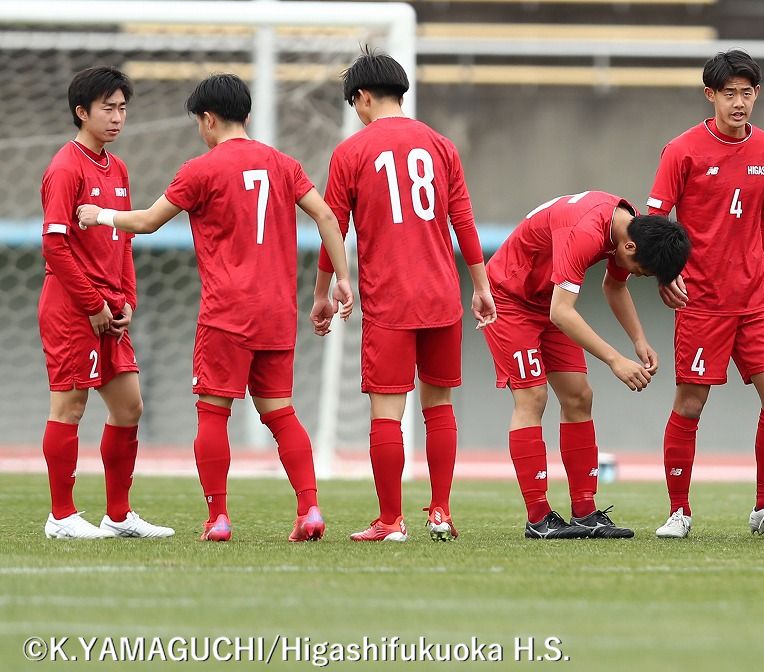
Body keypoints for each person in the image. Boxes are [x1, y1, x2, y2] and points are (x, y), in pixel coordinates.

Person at [78, 74, 354, 543]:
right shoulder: (282, 163)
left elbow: (145, 222)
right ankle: (309, 510)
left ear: (208, 120)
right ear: (244, 114)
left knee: (213, 412)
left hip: (226, 312)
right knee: (282, 413)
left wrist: (98, 214)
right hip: (277, 311)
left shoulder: (201, 169)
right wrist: (339, 281)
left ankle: (219, 518)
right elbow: (327, 215)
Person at [310, 50, 495, 543]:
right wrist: (480, 286)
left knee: (387, 411)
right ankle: (440, 512)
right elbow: (464, 222)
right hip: (442, 297)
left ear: (364, 97)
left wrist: (322, 292)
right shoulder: (440, 145)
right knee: (440, 405)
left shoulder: (351, 152)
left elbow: (333, 227)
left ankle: (391, 521)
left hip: (390, 300)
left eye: (356, 104)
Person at [646, 50, 764, 541]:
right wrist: (662, 274)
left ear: (757, 95)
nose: (739, 103)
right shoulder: (682, 150)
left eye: (747, 93)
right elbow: (654, 222)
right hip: (703, 301)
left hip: (755, 299)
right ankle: (678, 510)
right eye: (729, 93)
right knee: (691, 403)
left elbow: (763, 221)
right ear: (710, 95)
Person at [484, 191, 690, 539]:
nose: (638, 276)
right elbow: (562, 312)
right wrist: (615, 360)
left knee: (579, 396)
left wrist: (638, 340)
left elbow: (613, 286)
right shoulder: (586, 232)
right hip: (510, 298)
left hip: (548, 299)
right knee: (532, 397)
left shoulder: (629, 225)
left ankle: (584, 512)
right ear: (629, 250)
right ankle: (538, 518)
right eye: (642, 271)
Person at [38, 66, 174, 540]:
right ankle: (61, 516)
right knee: (69, 406)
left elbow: (125, 237)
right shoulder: (64, 167)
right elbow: (54, 245)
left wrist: (127, 299)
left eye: (122, 109)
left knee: (129, 407)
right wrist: (93, 302)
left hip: (111, 309)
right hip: (73, 306)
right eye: (107, 109)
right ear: (82, 112)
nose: (117, 118)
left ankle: (118, 516)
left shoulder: (117, 168)